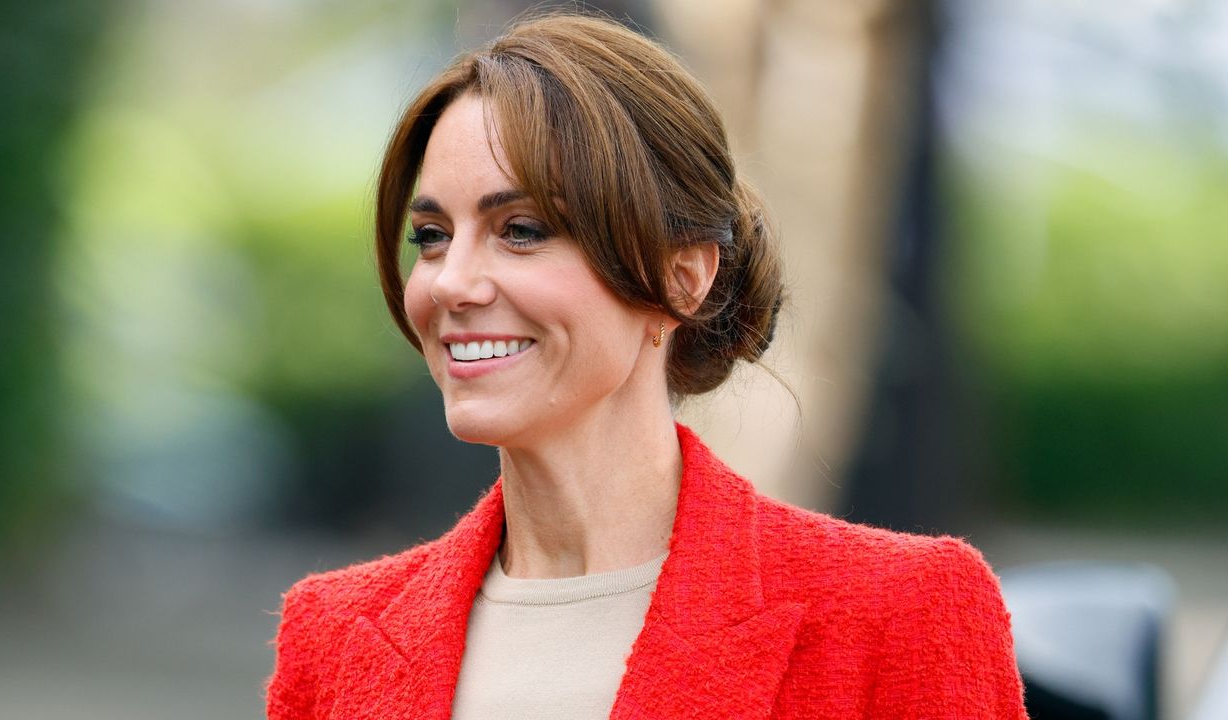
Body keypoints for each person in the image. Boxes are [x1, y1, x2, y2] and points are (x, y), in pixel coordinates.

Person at [265, 13, 1028, 720]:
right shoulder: (327, 638)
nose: (452, 282)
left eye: (521, 229)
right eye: (430, 236)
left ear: (681, 276)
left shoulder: (902, 612)